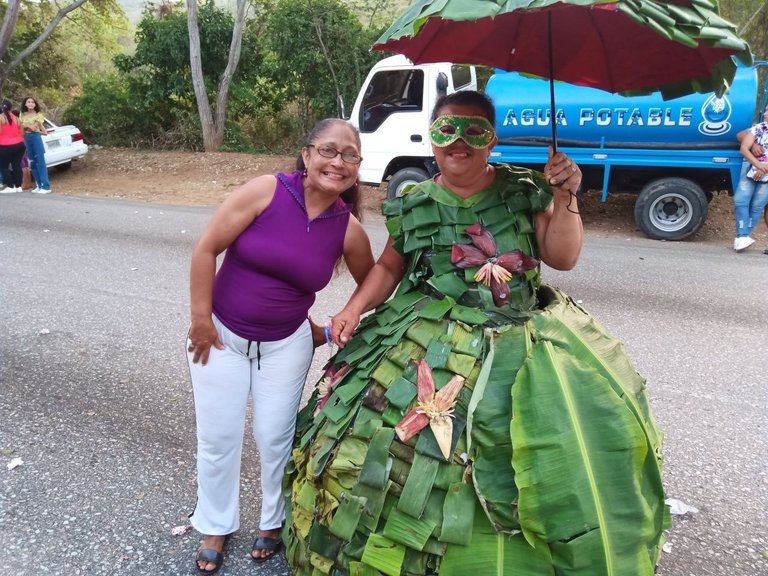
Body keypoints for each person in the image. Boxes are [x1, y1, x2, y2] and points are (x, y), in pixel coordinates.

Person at [283, 91, 667, 575]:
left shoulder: (525, 189)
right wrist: (353, 308)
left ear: (492, 139)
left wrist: (566, 196)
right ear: (432, 137)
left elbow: (562, 257)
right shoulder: (414, 199)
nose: (459, 142)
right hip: (421, 336)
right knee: (387, 446)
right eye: (447, 131)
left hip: (517, 337)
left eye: (474, 131)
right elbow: (389, 267)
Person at [186, 117, 375, 574]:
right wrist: (200, 321)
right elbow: (206, 249)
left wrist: (333, 328)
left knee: (275, 438)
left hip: (286, 346)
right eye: (328, 150)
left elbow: (376, 283)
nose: (338, 162)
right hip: (222, 337)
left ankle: (272, 521)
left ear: (357, 168)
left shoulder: (347, 229)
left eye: (350, 155)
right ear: (307, 154)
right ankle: (217, 524)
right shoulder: (266, 191)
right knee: (218, 438)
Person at [733, 102, 768, 252]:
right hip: (752, 168)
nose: (765, 114)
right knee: (741, 200)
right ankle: (743, 236)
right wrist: (759, 165)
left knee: (758, 205)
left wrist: (765, 168)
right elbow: (742, 142)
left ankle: (743, 235)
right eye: (766, 110)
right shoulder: (759, 128)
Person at [19, 96, 51, 194]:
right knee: (32, 163)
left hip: (36, 138)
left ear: (35, 104)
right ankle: (39, 185)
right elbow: (21, 132)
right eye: (28, 102)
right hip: (27, 139)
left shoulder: (38, 115)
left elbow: (33, 128)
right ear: (25, 104)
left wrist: (26, 126)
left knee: (40, 162)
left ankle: (46, 187)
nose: (31, 103)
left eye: (32, 102)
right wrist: (24, 127)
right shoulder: (22, 115)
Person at [0, 99, 26, 194]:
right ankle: (18, 186)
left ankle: (11, 186)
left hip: (5, 146)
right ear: (11, 108)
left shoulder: (1, 118)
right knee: (16, 165)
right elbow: (22, 133)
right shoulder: (17, 119)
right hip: (19, 145)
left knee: (3, 167)